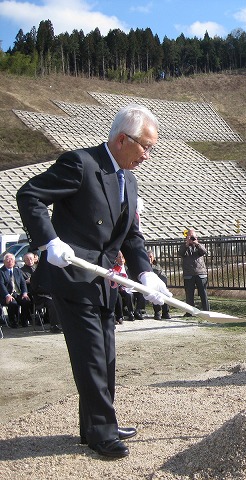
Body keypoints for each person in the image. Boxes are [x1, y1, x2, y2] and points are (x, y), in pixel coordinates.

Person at [16, 103, 172, 459]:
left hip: (103, 281)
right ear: (122, 139)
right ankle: (103, 431)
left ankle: (95, 427)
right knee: (90, 357)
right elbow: (30, 195)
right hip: (71, 276)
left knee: (106, 356)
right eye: (145, 146)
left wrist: (145, 272)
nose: (148, 155)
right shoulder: (81, 164)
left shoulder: (129, 182)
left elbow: (131, 237)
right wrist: (48, 241)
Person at [21, 251, 62, 333]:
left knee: (61, 300)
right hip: (37, 295)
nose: (30, 261)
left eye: (31, 259)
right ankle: (54, 325)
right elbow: (28, 284)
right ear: (24, 261)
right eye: (27, 259)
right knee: (52, 302)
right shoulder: (21, 271)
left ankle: (63, 324)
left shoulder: (39, 268)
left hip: (48, 292)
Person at [178, 228, 209, 315]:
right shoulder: (184, 246)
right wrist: (187, 244)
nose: (191, 239)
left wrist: (197, 244)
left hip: (201, 273)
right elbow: (180, 253)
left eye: (193, 237)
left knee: (203, 293)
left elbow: (204, 251)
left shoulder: (199, 245)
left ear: (196, 237)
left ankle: (206, 311)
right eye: (189, 237)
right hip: (189, 273)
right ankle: (189, 312)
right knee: (189, 294)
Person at [0, 253, 31, 327]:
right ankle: (13, 321)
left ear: (14, 261)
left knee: (26, 301)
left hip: (17, 293)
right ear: (4, 261)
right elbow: (1, 285)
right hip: (6, 295)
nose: (9, 261)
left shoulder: (18, 271)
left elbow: (23, 283)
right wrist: (7, 295)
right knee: (13, 303)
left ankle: (23, 320)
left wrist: (24, 293)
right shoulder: (1, 272)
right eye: (7, 259)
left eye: (11, 259)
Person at [147, 249, 171, 320]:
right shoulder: (143, 266)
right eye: (147, 257)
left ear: (153, 257)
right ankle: (157, 312)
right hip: (148, 286)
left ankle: (165, 312)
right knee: (155, 294)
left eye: (151, 256)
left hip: (158, 285)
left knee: (164, 293)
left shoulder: (157, 266)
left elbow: (164, 277)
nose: (149, 258)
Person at [112, 251, 135, 323]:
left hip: (127, 288)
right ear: (116, 259)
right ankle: (119, 316)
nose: (121, 259)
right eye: (119, 257)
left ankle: (131, 312)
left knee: (129, 295)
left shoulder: (127, 268)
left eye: (123, 257)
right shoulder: (114, 268)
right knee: (117, 296)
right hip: (118, 288)